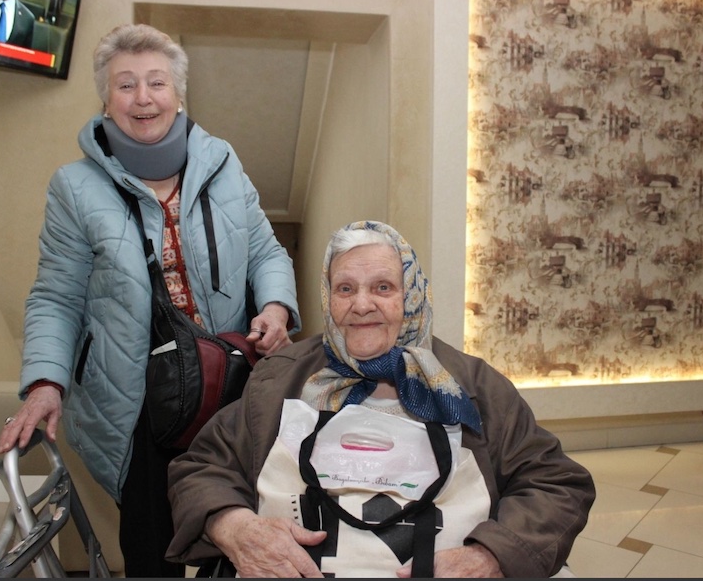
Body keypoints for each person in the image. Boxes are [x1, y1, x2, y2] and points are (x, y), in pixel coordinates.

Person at [0, 23, 301, 578]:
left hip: (227, 386)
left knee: (242, 538)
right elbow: (57, 297)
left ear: (178, 94)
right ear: (106, 101)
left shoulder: (223, 163)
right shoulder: (74, 187)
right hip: (135, 399)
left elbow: (267, 252)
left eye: (156, 83)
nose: (143, 98)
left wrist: (276, 308)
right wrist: (45, 383)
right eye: (126, 84)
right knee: (153, 550)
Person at [166, 220, 595, 578]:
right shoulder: (280, 377)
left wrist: (489, 557)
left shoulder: (473, 384)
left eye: (383, 287)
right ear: (327, 298)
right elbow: (201, 469)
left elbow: (555, 484)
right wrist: (237, 528)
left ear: (412, 295)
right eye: (345, 288)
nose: (362, 305)